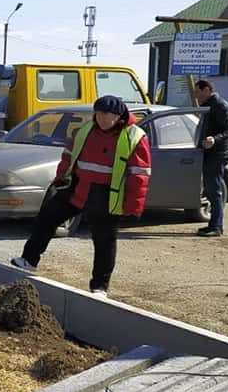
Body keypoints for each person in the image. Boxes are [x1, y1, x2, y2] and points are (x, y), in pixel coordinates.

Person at [10, 95, 152, 296]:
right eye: (99, 114)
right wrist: (60, 178)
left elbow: (140, 175)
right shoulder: (85, 130)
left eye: (107, 116)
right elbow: (68, 156)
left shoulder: (135, 137)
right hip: (77, 188)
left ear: (118, 116)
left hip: (107, 195)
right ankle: (28, 260)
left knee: (104, 241)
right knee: (47, 218)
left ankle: (100, 286)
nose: (102, 119)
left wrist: (133, 206)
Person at [193, 80, 228, 237]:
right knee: (211, 189)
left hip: (218, 154)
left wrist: (214, 139)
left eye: (198, 92)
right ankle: (212, 224)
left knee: (214, 190)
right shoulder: (208, 106)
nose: (196, 96)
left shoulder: (219, 105)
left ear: (207, 90)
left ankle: (217, 226)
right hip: (209, 154)